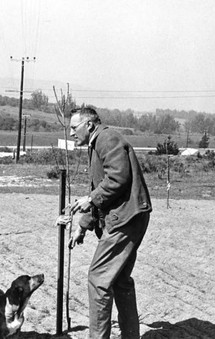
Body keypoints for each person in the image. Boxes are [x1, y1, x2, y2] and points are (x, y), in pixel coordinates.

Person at [57, 107, 152, 339]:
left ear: (89, 125)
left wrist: (89, 200)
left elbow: (117, 178)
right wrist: (83, 224)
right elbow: (99, 187)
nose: (71, 133)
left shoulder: (107, 139)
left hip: (126, 219)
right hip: (128, 216)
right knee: (119, 280)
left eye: (73, 128)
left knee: (98, 278)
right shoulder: (97, 142)